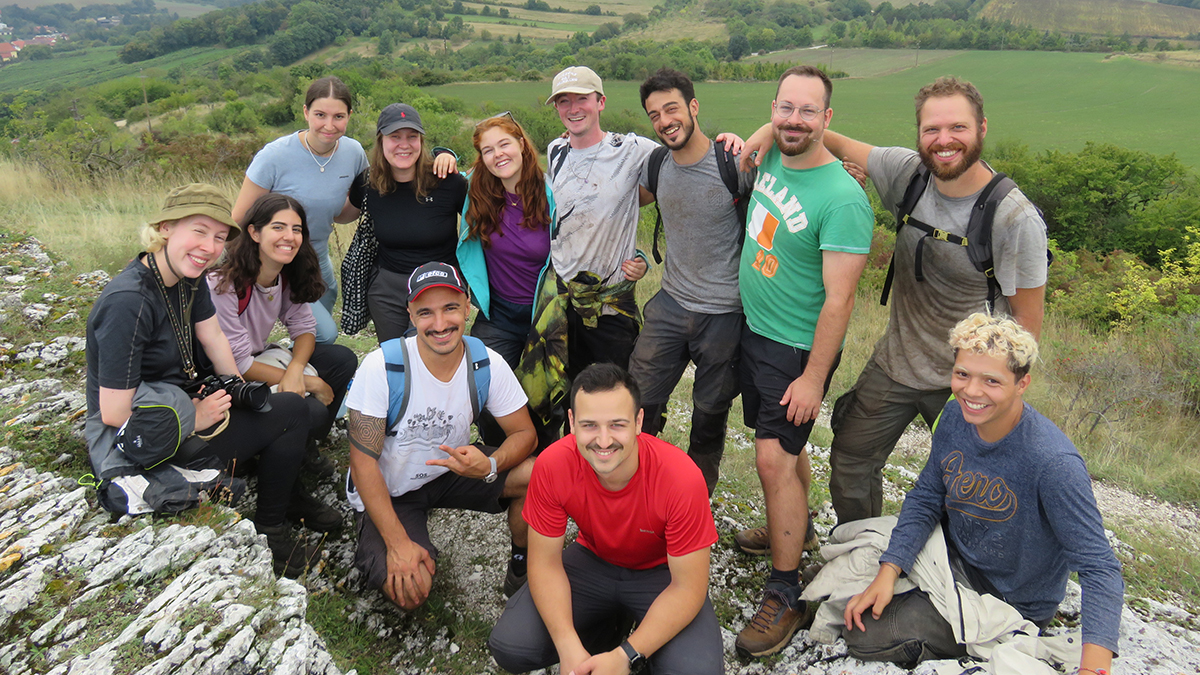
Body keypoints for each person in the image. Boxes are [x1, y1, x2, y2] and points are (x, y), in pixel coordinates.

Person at [818, 76, 1049, 526]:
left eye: (958, 128)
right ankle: (859, 554)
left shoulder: (1013, 218)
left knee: (972, 488)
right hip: (898, 362)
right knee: (850, 458)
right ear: (919, 134)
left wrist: (1004, 398)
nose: (944, 141)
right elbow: (822, 135)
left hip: (969, 378)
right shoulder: (907, 174)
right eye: (931, 130)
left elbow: (1026, 328)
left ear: (982, 128)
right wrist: (767, 132)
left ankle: (953, 582)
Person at [843, 313, 1122, 674]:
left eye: (992, 380)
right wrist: (890, 569)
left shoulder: (1053, 462)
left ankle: (985, 637)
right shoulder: (955, 416)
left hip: (1011, 599)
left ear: (1022, 384)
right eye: (962, 375)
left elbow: (1099, 566)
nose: (972, 392)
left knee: (864, 635)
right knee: (854, 576)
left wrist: (1094, 668)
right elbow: (928, 495)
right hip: (954, 557)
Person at [85, 184, 341, 577]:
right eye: (198, 231)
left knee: (277, 409)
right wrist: (196, 414)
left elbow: (216, 341)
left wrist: (245, 395)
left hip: (182, 405)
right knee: (291, 411)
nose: (209, 246)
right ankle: (272, 528)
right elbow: (114, 411)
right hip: (147, 437)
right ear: (166, 228)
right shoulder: (129, 301)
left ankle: (288, 495)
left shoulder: (187, 281)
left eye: (220, 237)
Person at [732, 66, 874, 658]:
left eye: (807, 111)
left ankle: (786, 591)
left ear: (828, 120)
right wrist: (765, 132)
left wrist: (813, 377)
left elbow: (840, 300)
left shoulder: (843, 199)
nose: (794, 120)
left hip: (796, 349)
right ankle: (798, 526)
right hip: (754, 331)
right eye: (784, 108)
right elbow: (772, 134)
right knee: (786, 457)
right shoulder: (769, 157)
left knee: (772, 460)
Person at [488, 363, 722, 675]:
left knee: (696, 672)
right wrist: (568, 645)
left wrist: (627, 656)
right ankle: (602, 635)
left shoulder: (680, 478)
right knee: (512, 646)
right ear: (571, 422)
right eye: (589, 425)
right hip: (593, 561)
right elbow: (544, 563)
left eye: (617, 425)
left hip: (661, 573)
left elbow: (687, 588)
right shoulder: (553, 464)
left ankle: (630, 648)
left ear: (639, 421)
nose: (602, 440)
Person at [345, 262, 537, 608]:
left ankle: (521, 564)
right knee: (410, 590)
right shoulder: (381, 367)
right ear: (410, 314)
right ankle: (386, 538)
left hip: (450, 469)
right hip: (392, 489)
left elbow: (525, 433)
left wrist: (491, 463)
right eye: (425, 313)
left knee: (539, 474)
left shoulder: (485, 363)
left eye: (450, 308)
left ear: (467, 306)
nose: (440, 324)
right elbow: (362, 466)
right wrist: (398, 543)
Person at [629, 67, 754, 497]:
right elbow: (621, 202)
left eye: (672, 109)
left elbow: (783, 192)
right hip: (670, 303)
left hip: (725, 313)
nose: (664, 120)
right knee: (638, 401)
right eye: (654, 115)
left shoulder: (732, 162)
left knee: (709, 412)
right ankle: (637, 485)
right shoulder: (658, 163)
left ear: (693, 107)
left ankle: (696, 500)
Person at [208, 192, 359, 480]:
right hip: (226, 377)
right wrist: (310, 382)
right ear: (253, 232)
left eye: (296, 229)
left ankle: (303, 447)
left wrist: (296, 369)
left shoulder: (285, 275)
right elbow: (237, 364)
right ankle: (290, 455)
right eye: (278, 227)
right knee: (310, 410)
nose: (289, 236)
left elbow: (304, 329)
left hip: (257, 360)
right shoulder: (224, 283)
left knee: (342, 359)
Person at [232, 76, 368, 345]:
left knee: (312, 334)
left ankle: (300, 376)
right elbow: (240, 218)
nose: (329, 125)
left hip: (317, 258)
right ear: (305, 112)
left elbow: (340, 215)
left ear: (349, 116)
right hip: (274, 258)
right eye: (320, 115)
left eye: (338, 116)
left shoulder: (354, 153)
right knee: (324, 333)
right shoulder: (274, 156)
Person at [345, 104, 468, 342]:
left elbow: (484, 219)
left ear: (421, 142)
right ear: (381, 141)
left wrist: (447, 154)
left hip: (439, 286)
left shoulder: (446, 181)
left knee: (432, 353)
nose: (404, 144)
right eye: (395, 137)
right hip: (387, 289)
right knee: (395, 358)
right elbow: (341, 214)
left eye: (412, 137)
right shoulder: (368, 184)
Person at [458, 112, 555, 371]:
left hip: (546, 314)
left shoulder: (553, 195)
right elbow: (436, 180)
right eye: (488, 150)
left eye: (504, 144)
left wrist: (638, 257)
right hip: (499, 317)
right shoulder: (476, 192)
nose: (498, 154)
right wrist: (444, 154)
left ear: (522, 144)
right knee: (479, 383)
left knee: (547, 396)